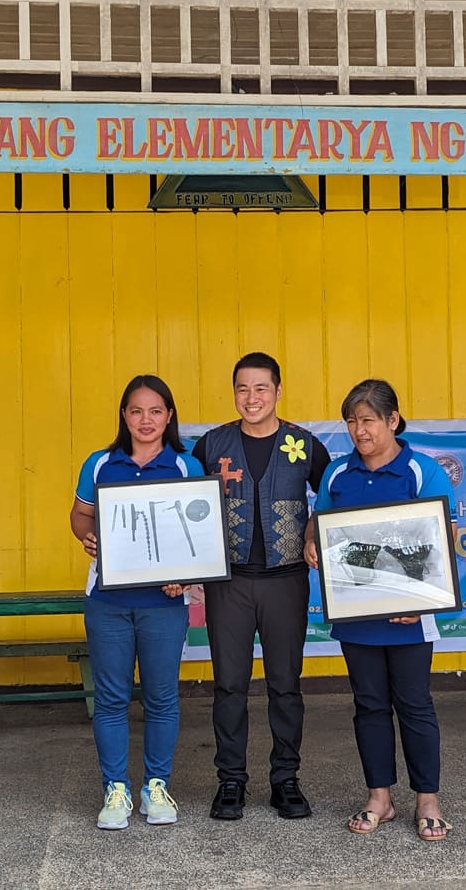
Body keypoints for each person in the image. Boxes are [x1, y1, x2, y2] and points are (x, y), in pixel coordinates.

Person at [304, 378, 455, 842]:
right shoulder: (336, 474)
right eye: (351, 421)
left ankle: (427, 800)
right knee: (369, 705)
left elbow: (442, 538)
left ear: (392, 420)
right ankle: (380, 798)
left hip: (410, 616)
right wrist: (312, 540)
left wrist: (419, 600)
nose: (359, 430)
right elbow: (322, 519)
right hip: (357, 613)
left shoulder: (422, 471)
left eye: (368, 420)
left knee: (414, 705)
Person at [191, 352, 331, 820]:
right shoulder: (211, 446)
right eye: (242, 389)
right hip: (228, 583)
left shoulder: (305, 445)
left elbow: (332, 501)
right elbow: (185, 506)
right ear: (233, 393)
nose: (252, 398)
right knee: (229, 685)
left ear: (278, 390)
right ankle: (230, 781)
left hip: (287, 581)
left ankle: (285, 780)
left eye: (261, 389)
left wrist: (313, 536)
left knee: (285, 686)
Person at [70, 374, 205, 830]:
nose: (145, 420)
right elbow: (80, 514)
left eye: (155, 411)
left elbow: (200, 536)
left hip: (164, 603)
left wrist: (185, 575)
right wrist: (87, 536)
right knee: (110, 697)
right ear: (124, 416)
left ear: (169, 416)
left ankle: (155, 786)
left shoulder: (186, 466)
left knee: (162, 696)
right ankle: (116, 788)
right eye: (135, 411)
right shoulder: (100, 462)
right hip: (108, 599)